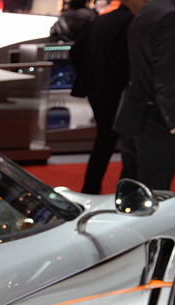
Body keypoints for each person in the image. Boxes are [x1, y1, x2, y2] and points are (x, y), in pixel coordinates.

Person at [114, 0, 175, 190]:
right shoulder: (170, 14)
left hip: (138, 110)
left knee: (133, 188)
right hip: (157, 116)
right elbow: (166, 70)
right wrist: (173, 121)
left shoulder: (149, 9)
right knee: (153, 189)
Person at [70, 0, 138, 194]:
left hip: (97, 90)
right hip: (116, 93)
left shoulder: (102, 20)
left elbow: (75, 52)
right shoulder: (130, 22)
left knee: (104, 142)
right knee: (125, 144)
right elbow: (121, 62)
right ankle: (125, 192)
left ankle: (91, 188)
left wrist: (89, 77)